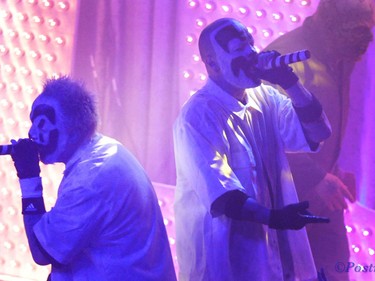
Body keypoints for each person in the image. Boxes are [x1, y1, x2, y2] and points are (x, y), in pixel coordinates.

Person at [173, 18, 332, 281]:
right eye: (238, 49)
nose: (250, 54)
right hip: (227, 262)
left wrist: (291, 84)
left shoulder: (265, 98)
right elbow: (224, 197)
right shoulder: (197, 116)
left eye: (250, 44)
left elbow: (318, 133)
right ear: (212, 64)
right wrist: (275, 217)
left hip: (274, 262)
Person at [10, 76, 177, 281]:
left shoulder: (90, 179)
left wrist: (29, 178)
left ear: (74, 131)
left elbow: (42, 252)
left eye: (43, 124)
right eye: (33, 121)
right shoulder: (103, 151)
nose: (32, 132)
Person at [264, 0, 374, 280]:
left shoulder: (342, 51)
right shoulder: (284, 57)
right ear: (334, 25)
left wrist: (332, 168)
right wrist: (316, 178)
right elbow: (265, 134)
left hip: (322, 198)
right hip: (284, 202)